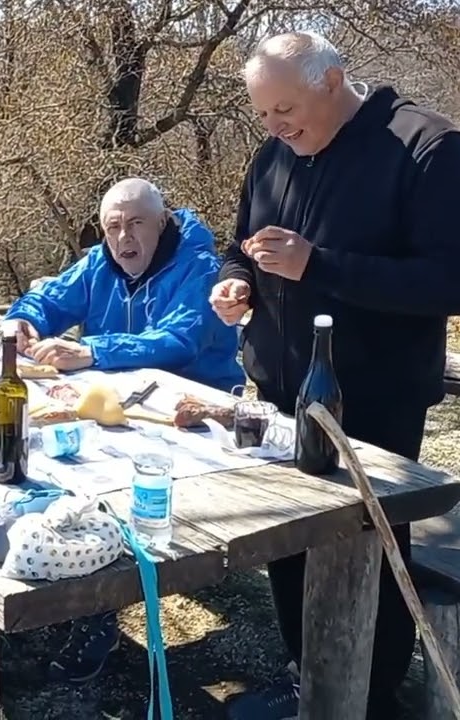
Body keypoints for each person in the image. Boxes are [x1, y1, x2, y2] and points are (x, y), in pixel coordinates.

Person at [211, 31, 460, 720]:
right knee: (289, 541)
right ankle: (308, 680)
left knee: (366, 549)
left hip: (374, 398)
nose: (274, 126)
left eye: (283, 109)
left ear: (331, 80)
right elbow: (242, 247)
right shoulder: (272, 158)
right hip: (283, 393)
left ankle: (368, 694)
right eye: (262, 115)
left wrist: (318, 265)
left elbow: (446, 280)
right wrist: (234, 283)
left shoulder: (424, 147)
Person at [6, 177, 245, 682]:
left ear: (162, 223)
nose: (122, 237)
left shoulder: (199, 268)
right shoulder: (98, 264)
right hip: (114, 412)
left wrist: (94, 351)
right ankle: (88, 606)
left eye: (136, 223)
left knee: (109, 492)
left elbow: (180, 339)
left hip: (193, 419)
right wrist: (23, 320)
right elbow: (48, 299)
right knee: (54, 470)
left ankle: (96, 614)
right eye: (113, 226)